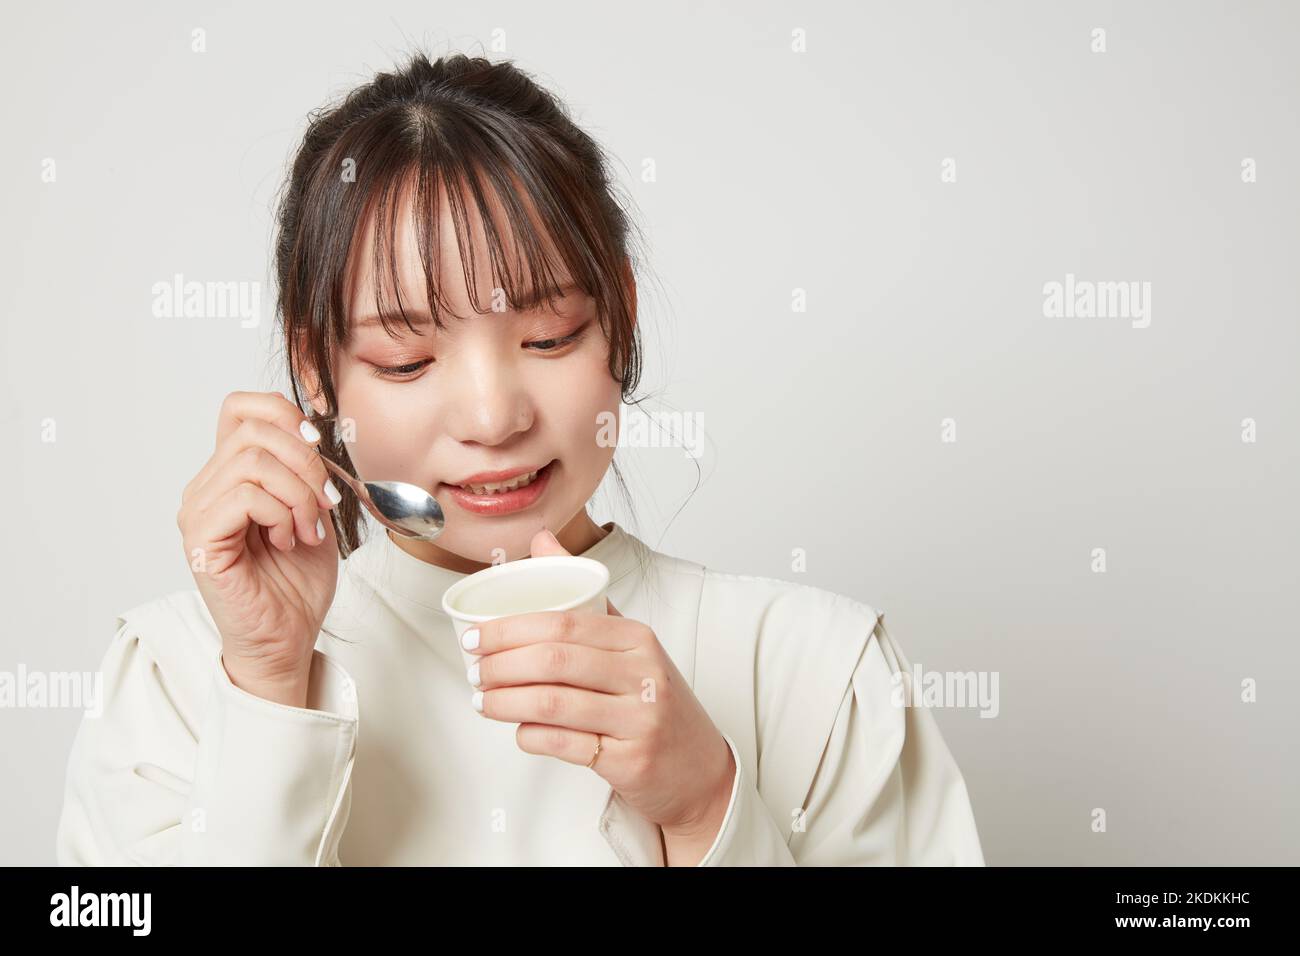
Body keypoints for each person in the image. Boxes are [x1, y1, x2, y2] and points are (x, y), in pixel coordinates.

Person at [55, 50, 985, 866]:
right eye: (407, 359)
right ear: (316, 367)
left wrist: (706, 809)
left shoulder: (819, 671)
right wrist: (266, 688)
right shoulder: (180, 676)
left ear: (617, 313)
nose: (494, 417)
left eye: (548, 337)